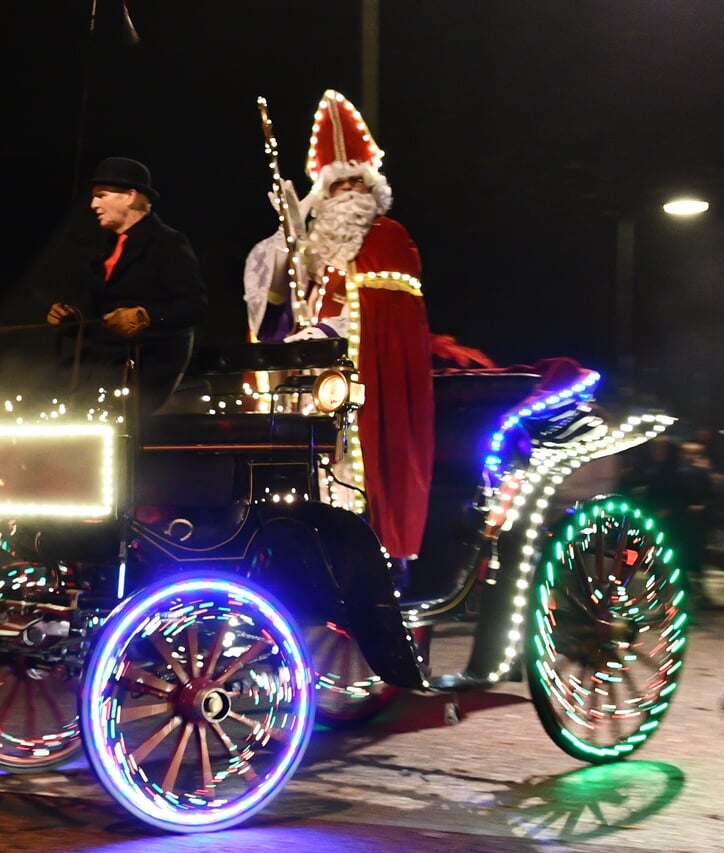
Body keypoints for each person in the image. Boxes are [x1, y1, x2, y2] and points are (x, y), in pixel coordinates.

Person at [242, 91, 434, 563]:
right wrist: (288, 234)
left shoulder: (390, 238)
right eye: (337, 188)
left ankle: (364, 559)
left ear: (373, 192)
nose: (348, 195)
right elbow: (276, 303)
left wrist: (327, 334)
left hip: (364, 385)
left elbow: (374, 314)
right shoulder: (321, 249)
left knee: (350, 479)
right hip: (320, 389)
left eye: (356, 186)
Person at [45, 156, 208, 413]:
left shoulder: (167, 242)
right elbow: (102, 320)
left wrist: (147, 317)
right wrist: (72, 322)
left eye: (102, 195)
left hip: (148, 367)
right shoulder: (106, 249)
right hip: (105, 365)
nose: (93, 204)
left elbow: (195, 307)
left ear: (130, 196)